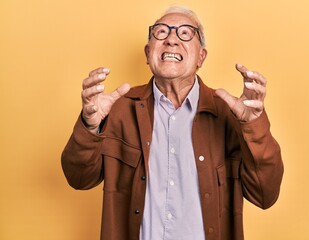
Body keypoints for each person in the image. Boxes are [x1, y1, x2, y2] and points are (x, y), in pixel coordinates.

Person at [62, 6, 284, 240]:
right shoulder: (119, 110)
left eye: (185, 33)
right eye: (161, 32)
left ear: (201, 56)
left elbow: (264, 195)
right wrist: (90, 126)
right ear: (148, 53)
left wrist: (254, 127)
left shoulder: (229, 115)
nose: (171, 40)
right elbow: (79, 179)